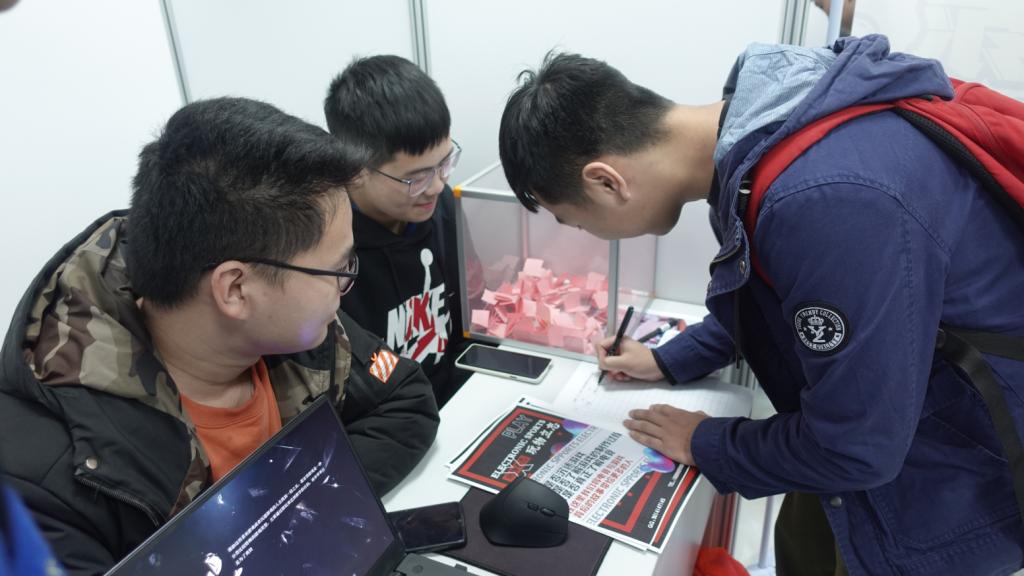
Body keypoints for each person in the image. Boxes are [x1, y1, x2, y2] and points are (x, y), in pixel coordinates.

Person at [497, 37, 1024, 575]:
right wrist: (668, 359)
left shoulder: (824, 199)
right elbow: (778, 294)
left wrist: (706, 442)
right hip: (874, 441)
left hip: (952, 481)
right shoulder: (756, 141)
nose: (586, 234)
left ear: (606, 181)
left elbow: (857, 447)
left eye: (574, 221)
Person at [0, 97, 439, 575]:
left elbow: (406, 399)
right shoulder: (41, 482)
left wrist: (297, 510)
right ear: (235, 289)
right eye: (337, 269)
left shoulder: (302, 337)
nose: (346, 284)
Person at [324, 55, 483, 407]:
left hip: (461, 396)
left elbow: (468, 310)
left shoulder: (439, 206)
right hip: (391, 411)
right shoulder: (329, 254)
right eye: (417, 177)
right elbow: (362, 366)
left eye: (444, 163)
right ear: (355, 170)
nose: (437, 186)